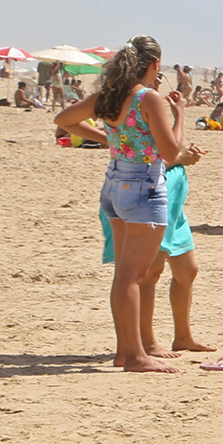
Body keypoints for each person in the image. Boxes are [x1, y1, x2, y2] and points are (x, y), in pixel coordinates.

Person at [56, 36, 189, 373]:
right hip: (144, 187)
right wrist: (180, 115)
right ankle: (135, 356)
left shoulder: (111, 96)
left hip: (114, 186)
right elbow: (171, 152)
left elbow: (65, 119)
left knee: (123, 275)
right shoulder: (149, 98)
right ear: (154, 64)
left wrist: (108, 140)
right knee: (133, 276)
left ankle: (125, 351)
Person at [90, 138, 213, 357]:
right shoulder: (135, 125)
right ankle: (147, 342)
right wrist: (179, 158)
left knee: (187, 271)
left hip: (173, 204)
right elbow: (140, 167)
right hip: (148, 202)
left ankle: (183, 336)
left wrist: (183, 149)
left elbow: (168, 148)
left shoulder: (153, 119)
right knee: (149, 274)